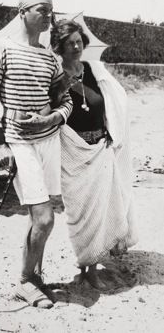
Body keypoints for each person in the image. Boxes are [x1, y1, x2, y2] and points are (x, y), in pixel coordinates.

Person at [0, 0, 73, 308]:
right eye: (42, 9)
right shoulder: (2, 47)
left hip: (49, 142)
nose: (49, 16)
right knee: (45, 219)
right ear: (22, 12)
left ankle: (34, 277)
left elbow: (66, 100)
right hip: (19, 143)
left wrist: (53, 116)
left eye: (51, 10)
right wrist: (0, 143)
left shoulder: (49, 57)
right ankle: (25, 281)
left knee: (41, 218)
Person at [50, 19, 138, 289]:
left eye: (79, 41)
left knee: (102, 209)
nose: (76, 47)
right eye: (70, 43)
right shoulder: (54, 75)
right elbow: (52, 111)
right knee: (81, 213)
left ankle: (92, 266)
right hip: (73, 154)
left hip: (101, 148)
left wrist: (113, 130)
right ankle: (86, 263)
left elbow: (115, 98)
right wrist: (59, 89)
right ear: (60, 47)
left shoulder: (93, 69)